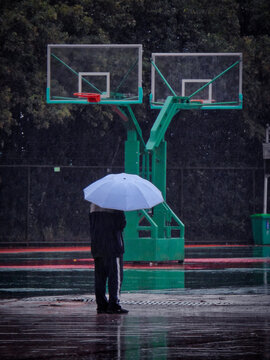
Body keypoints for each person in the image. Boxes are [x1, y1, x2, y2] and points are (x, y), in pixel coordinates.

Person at [89, 203, 128, 314]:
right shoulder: (116, 204)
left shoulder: (93, 205)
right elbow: (120, 224)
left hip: (97, 245)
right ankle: (114, 304)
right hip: (113, 246)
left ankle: (101, 304)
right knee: (115, 277)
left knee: (100, 278)